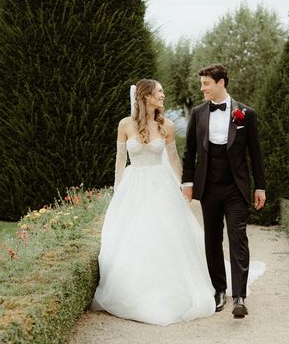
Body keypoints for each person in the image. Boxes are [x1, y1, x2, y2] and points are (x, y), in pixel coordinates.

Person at [91, 79, 215, 326]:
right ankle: (136, 289)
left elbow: (173, 159)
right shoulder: (125, 125)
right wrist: (117, 190)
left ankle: (168, 287)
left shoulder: (166, 125)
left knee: (164, 233)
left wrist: (185, 187)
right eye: (159, 91)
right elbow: (119, 161)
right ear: (146, 96)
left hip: (161, 186)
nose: (163, 94)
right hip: (134, 185)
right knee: (135, 235)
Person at [181, 63, 266, 319]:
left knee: (238, 238)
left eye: (206, 83)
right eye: (202, 84)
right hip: (208, 187)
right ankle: (219, 290)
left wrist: (260, 186)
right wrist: (188, 183)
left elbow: (255, 153)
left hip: (235, 187)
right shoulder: (197, 113)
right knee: (212, 239)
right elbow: (190, 152)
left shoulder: (245, 114)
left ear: (221, 83)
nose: (202, 88)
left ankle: (239, 296)